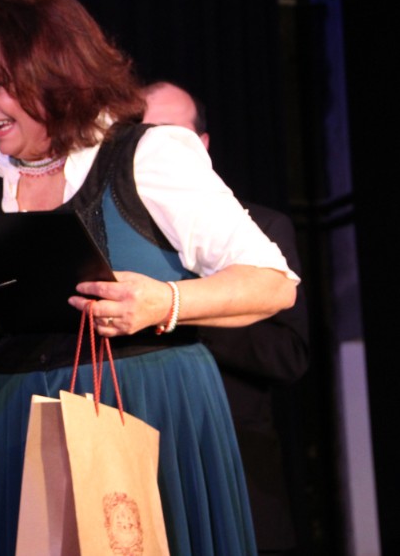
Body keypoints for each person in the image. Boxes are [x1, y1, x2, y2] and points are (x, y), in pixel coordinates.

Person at [0, 0, 298, 555]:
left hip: (153, 409)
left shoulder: (148, 156)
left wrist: (165, 302)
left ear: (53, 72)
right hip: (30, 424)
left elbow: (272, 282)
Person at [143, 81, 310, 555]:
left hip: (237, 463)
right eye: (142, 135)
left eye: (170, 134)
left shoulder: (261, 227)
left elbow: (288, 356)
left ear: (203, 144)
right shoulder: (124, 234)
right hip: (142, 463)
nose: (156, 148)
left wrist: (179, 309)